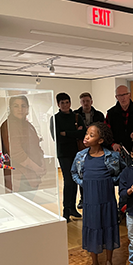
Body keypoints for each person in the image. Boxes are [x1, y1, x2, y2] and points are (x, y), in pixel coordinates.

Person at [73, 123, 125, 265]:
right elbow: (74, 172)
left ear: (100, 140)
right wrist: (83, 183)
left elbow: (123, 172)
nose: (86, 137)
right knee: (92, 228)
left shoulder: (112, 156)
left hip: (107, 199)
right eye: (86, 134)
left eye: (91, 135)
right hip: (90, 201)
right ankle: (94, 264)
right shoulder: (80, 156)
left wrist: (111, 181)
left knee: (108, 227)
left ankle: (109, 262)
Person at [1, 95, 45, 191]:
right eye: (16, 106)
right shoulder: (10, 125)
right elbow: (16, 153)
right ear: (10, 108)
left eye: (23, 106)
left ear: (27, 108)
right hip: (20, 175)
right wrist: (37, 168)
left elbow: (36, 147)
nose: (20, 109)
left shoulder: (28, 125)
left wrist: (41, 163)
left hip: (32, 174)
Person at [51, 92, 85, 220]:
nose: (65, 105)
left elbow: (83, 133)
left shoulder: (76, 116)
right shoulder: (55, 119)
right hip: (64, 153)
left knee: (75, 180)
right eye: (62, 103)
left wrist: (67, 133)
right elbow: (58, 138)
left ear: (70, 103)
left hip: (77, 152)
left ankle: (72, 208)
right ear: (58, 104)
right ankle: (66, 209)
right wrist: (75, 133)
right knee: (69, 180)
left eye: (67, 102)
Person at [75, 92, 105, 208]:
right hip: (81, 147)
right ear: (80, 102)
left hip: (96, 147)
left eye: (87, 101)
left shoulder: (99, 115)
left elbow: (102, 130)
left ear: (91, 102)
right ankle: (83, 198)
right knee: (83, 173)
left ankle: (97, 196)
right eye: (83, 101)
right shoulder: (75, 115)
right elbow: (75, 132)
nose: (86, 103)